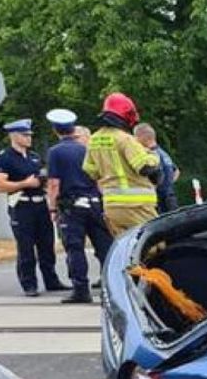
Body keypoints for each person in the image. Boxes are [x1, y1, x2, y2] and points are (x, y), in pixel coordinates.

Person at [0, 118, 67, 297]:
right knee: (26, 248)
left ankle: (51, 281)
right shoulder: (3, 158)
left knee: (46, 246)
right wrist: (25, 183)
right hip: (22, 206)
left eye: (30, 135)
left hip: (40, 205)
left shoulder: (34, 157)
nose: (29, 138)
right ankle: (29, 284)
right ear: (14, 136)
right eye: (25, 135)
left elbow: (43, 180)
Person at [46, 109, 113, 303]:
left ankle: (81, 289)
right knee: (104, 246)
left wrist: (52, 207)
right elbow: (98, 178)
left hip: (72, 206)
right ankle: (110, 286)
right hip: (94, 203)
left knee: (75, 248)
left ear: (56, 130)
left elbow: (54, 184)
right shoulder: (86, 149)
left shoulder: (55, 152)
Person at [83, 92, 161, 235]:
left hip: (111, 207)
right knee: (154, 246)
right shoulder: (125, 139)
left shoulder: (94, 139)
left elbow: (90, 171)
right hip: (137, 207)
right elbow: (146, 167)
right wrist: (154, 156)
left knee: (126, 251)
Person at [133, 123, 180, 213]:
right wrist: (168, 184)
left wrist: (156, 187)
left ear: (141, 137)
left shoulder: (150, 156)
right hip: (170, 198)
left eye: (135, 137)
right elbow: (176, 171)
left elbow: (155, 175)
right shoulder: (163, 153)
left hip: (159, 201)